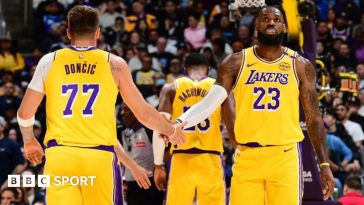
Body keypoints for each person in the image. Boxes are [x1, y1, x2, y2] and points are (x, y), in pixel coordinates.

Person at [17, 5, 185, 205]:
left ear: (69, 33)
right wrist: (170, 130)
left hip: (60, 156)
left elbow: (25, 112)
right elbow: (142, 113)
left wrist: (28, 140)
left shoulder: (49, 61)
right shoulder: (115, 64)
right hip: (98, 157)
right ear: (98, 33)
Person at [175, 6, 335, 205]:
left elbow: (313, 118)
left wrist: (324, 163)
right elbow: (210, 102)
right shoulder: (235, 62)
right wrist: (180, 122)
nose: (270, 22)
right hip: (247, 156)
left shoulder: (300, 65)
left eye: (276, 19)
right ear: (256, 27)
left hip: (284, 158)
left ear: (284, 27)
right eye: (265, 19)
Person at [153, 53, 235, 205]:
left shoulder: (171, 87)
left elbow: (160, 128)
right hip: (211, 159)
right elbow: (232, 126)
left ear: (184, 70)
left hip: (181, 159)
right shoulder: (219, 89)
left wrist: (158, 165)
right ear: (209, 70)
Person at [119, 102, 164, 205]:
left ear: (136, 112)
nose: (122, 113)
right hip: (131, 186)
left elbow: (163, 154)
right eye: (122, 109)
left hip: (150, 186)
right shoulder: (123, 132)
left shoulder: (150, 131)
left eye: (126, 110)